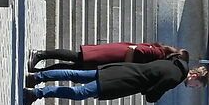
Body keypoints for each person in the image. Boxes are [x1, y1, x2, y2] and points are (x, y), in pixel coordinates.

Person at [25, 50, 209, 105]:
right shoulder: (175, 77)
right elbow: (152, 96)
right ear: (194, 76)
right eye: (196, 85)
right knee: (79, 92)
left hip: (120, 70)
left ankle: (36, 77)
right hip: (121, 82)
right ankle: (35, 93)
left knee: (76, 75)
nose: (193, 88)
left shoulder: (174, 62)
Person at [30, 41, 190, 70]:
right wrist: (129, 66)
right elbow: (134, 49)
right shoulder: (158, 53)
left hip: (116, 56)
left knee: (76, 67)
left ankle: (40, 72)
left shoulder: (160, 53)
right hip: (115, 55)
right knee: (77, 58)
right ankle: (41, 54)